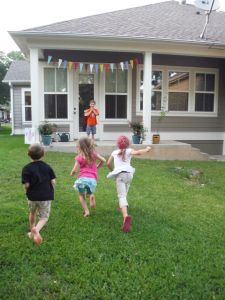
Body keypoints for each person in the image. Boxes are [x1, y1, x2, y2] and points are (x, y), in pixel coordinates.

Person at [106, 136, 151, 233]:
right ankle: (122, 206)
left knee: (121, 196)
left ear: (118, 144)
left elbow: (108, 163)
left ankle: (125, 216)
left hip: (120, 175)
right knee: (125, 191)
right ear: (128, 144)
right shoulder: (129, 150)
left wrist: (113, 171)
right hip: (129, 175)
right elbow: (138, 153)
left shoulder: (114, 152)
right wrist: (147, 149)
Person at [21, 144, 56, 245]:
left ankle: (32, 230)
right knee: (44, 217)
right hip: (45, 196)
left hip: (32, 196)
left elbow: (26, 184)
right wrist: (52, 189)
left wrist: (26, 191)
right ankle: (36, 229)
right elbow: (53, 181)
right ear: (43, 154)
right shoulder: (47, 167)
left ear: (28, 154)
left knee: (32, 213)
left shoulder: (26, 169)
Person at [70, 137, 105, 217]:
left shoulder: (79, 157)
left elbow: (75, 170)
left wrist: (72, 173)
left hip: (82, 180)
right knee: (89, 192)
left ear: (80, 147)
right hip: (92, 180)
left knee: (81, 195)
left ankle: (86, 211)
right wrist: (97, 167)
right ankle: (91, 195)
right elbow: (103, 160)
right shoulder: (94, 154)